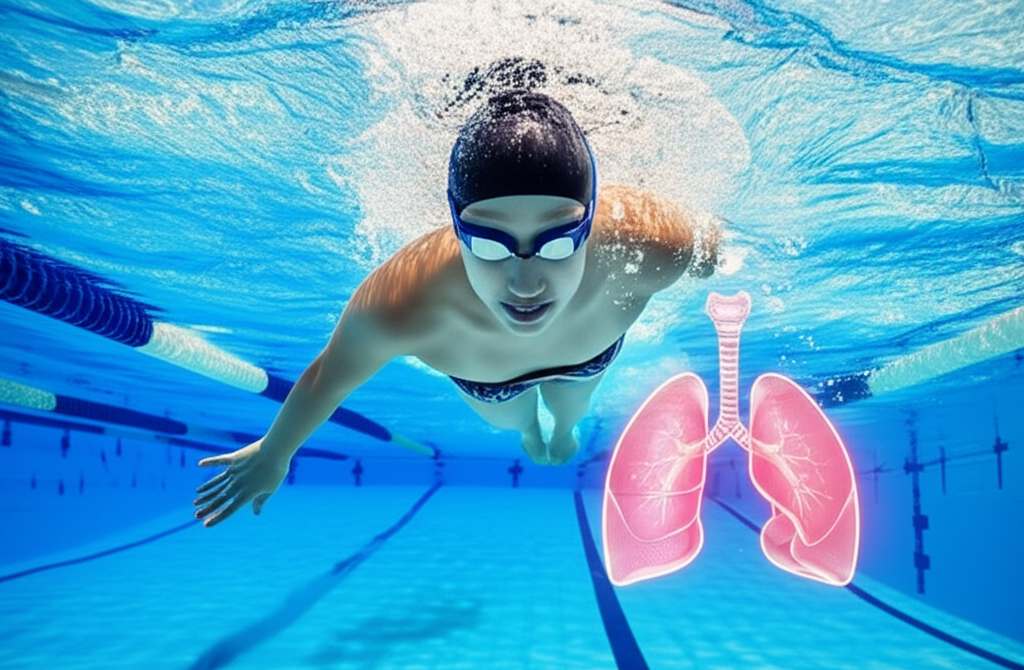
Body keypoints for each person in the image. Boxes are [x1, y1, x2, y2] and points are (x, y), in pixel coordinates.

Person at [195, 89, 719, 526]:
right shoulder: (405, 301)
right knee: (514, 422)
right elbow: (329, 375)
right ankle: (532, 432)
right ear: (456, 228)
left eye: (558, 241)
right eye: (489, 243)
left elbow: (711, 246)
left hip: (588, 356)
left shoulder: (649, 243)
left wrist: (713, 254)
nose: (525, 282)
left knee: (571, 411)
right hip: (489, 381)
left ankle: (559, 432)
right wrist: (274, 452)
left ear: (590, 220)